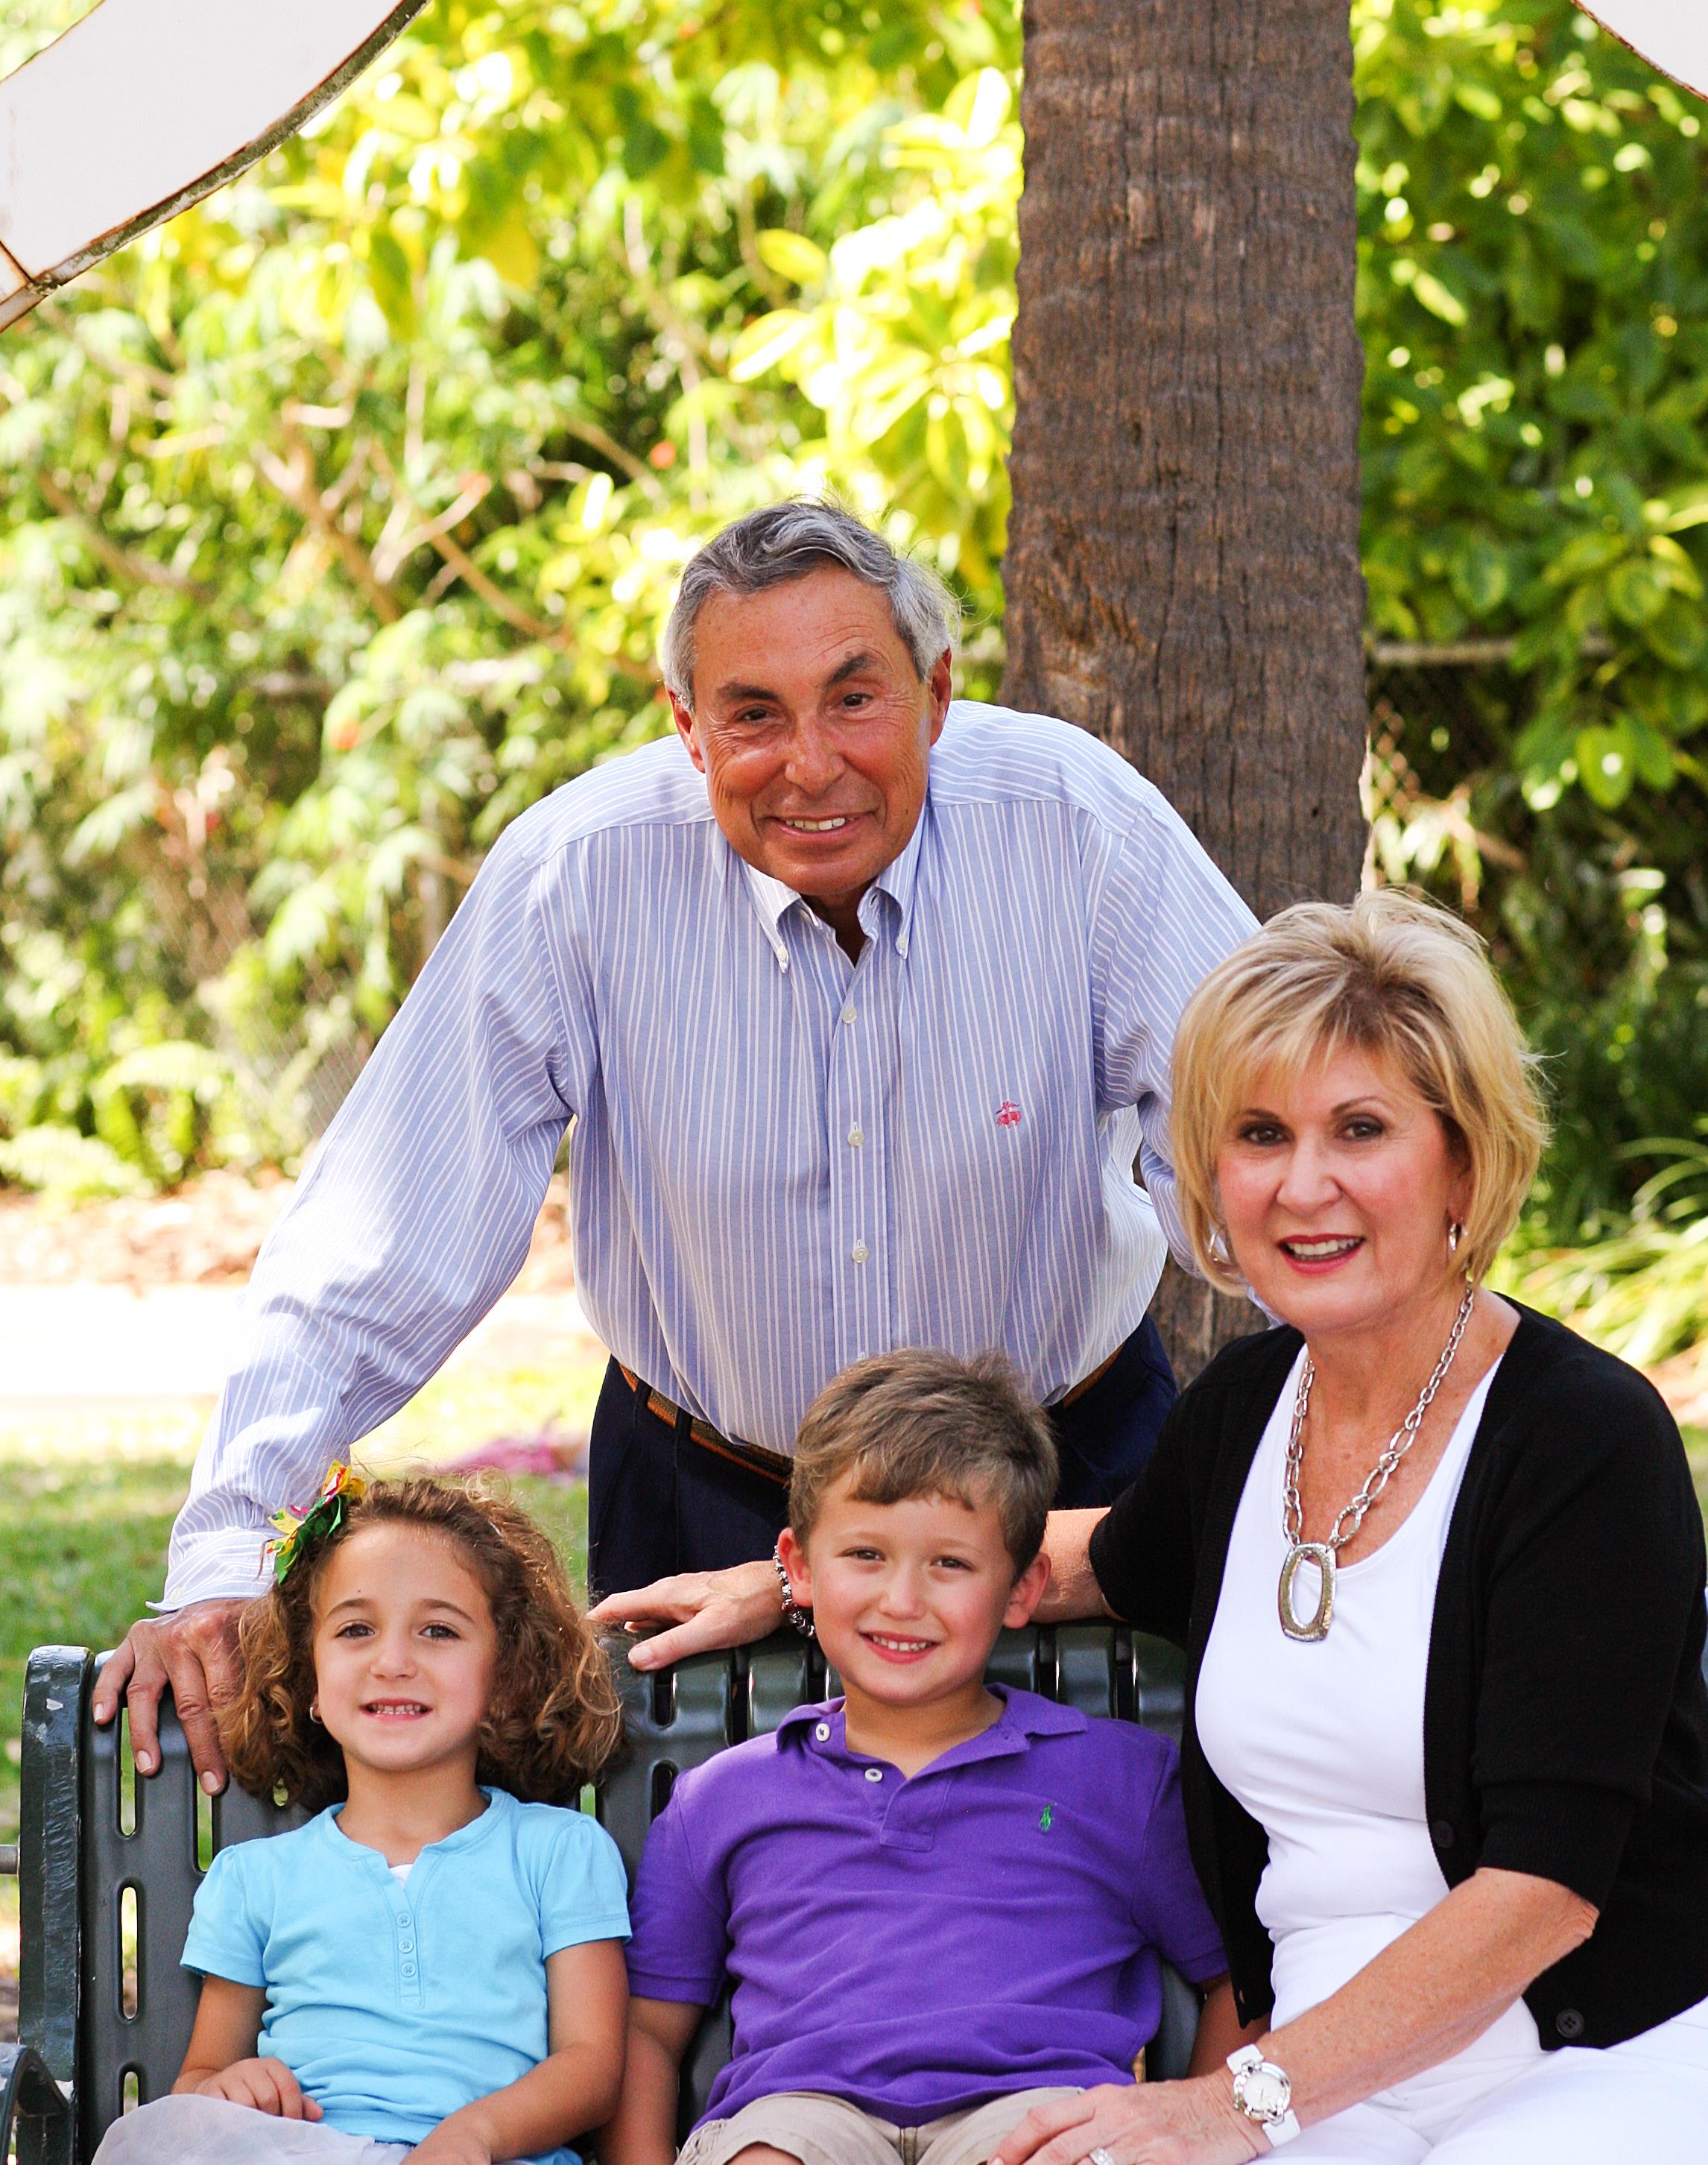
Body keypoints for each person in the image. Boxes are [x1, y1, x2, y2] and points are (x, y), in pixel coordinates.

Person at [95, 494, 1254, 1793]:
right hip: (704, 1488)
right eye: (752, 713)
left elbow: (1263, 1152)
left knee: (1098, 1901)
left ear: (937, 694)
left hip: (1062, 1473)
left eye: (854, 698)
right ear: (686, 727)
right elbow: (379, 1237)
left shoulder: (1078, 824)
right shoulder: (577, 874)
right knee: (682, 1946)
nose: (810, 763)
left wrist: (1431, 1411)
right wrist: (226, 1553)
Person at [964, 891, 1708, 2165]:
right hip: (1338, 2080)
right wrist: (785, 1586)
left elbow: (1548, 1891)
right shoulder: (1247, 1411)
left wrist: (1232, 2105)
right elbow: (1094, 1562)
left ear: (1463, 1156)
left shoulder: (1585, 1442)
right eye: (1260, 1135)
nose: (1304, 1185)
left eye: (1362, 1130)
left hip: (1616, 2059)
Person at [599, 1348, 1239, 2165]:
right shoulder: (730, 1797)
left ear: (1021, 1586)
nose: (904, 1599)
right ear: (795, 1569)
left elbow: (1230, 1981)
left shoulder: (1116, 1779)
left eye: (951, 1563)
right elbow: (650, 2028)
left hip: (1028, 2110)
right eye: (867, 1556)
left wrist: (1193, 2141)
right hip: (808, 2115)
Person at [0, 1475, 642, 2165]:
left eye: (438, 1629)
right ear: (305, 1674)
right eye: (357, 1629)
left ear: (507, 1675)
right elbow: (206, 2074)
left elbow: (592, 2061)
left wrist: (474, 2132)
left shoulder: (554, 1851)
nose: (394, 1658)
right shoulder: (257, 1876)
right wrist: (233, 2085)